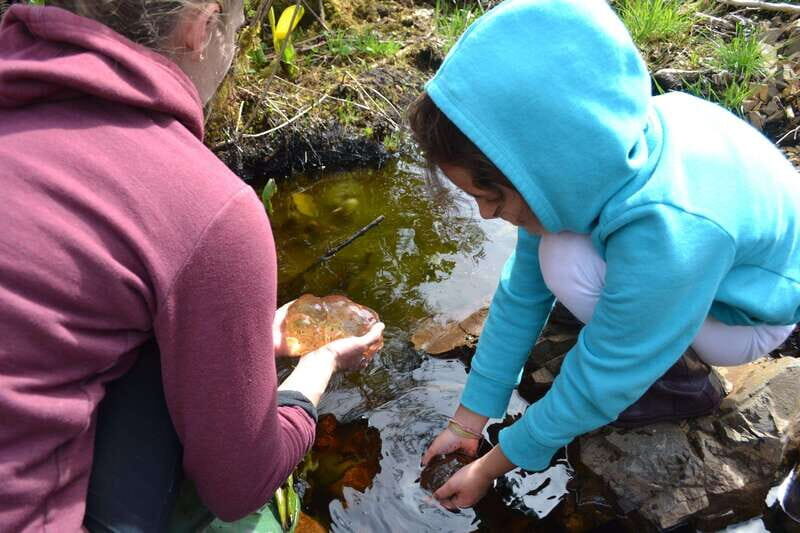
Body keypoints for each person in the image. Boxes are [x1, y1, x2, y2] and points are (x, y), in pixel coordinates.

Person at [0, 1, 384, 531]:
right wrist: (319, 368)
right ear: (201, 27)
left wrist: (245, 341)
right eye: (238, 29)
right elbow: (238, 486)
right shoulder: (206, 204)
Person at [409, 0, 800, 511]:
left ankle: (677, 379)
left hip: (747, 316)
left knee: (564, 262)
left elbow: (605, 372)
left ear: (542, 172)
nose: (485, 214)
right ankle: (638, 320)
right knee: (555, 252)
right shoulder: (590, 149)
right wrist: (468, 420)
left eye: (490, 197)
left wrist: (493, 464)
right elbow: (521, 291)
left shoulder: (670, 226)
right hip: (702, 269)